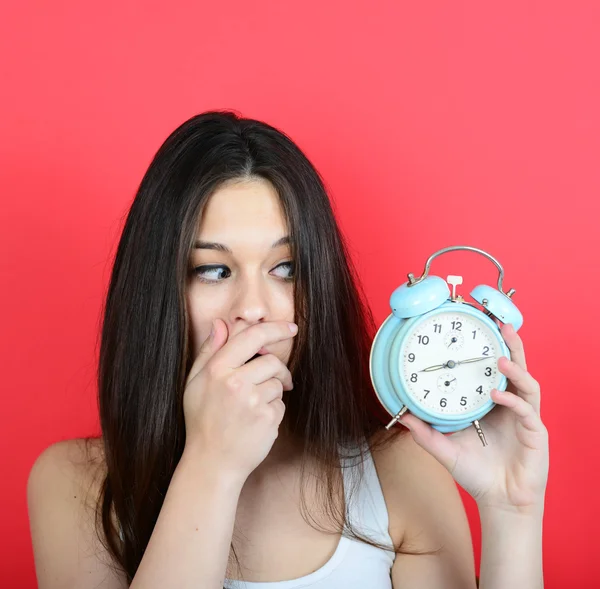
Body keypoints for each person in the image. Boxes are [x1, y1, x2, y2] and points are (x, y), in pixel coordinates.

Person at [27, 110, 549, 589]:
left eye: (285, 269)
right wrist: (211, 465)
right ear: (158, 292)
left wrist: (512, 513)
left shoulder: (401, 470)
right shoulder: (76, 486)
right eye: (213, 270)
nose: (254, 307)